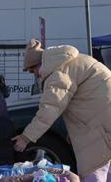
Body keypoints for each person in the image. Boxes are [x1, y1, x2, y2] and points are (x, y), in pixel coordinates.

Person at [12, 39, 111, 181]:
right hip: (103, 119)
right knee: (105, 164)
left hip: (100, 125)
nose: (36, 75)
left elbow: (49, 110)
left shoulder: (57, 73)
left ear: (39, 64)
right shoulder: (70, 62)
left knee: (94, 168)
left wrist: (25, 137)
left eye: (32, 70)